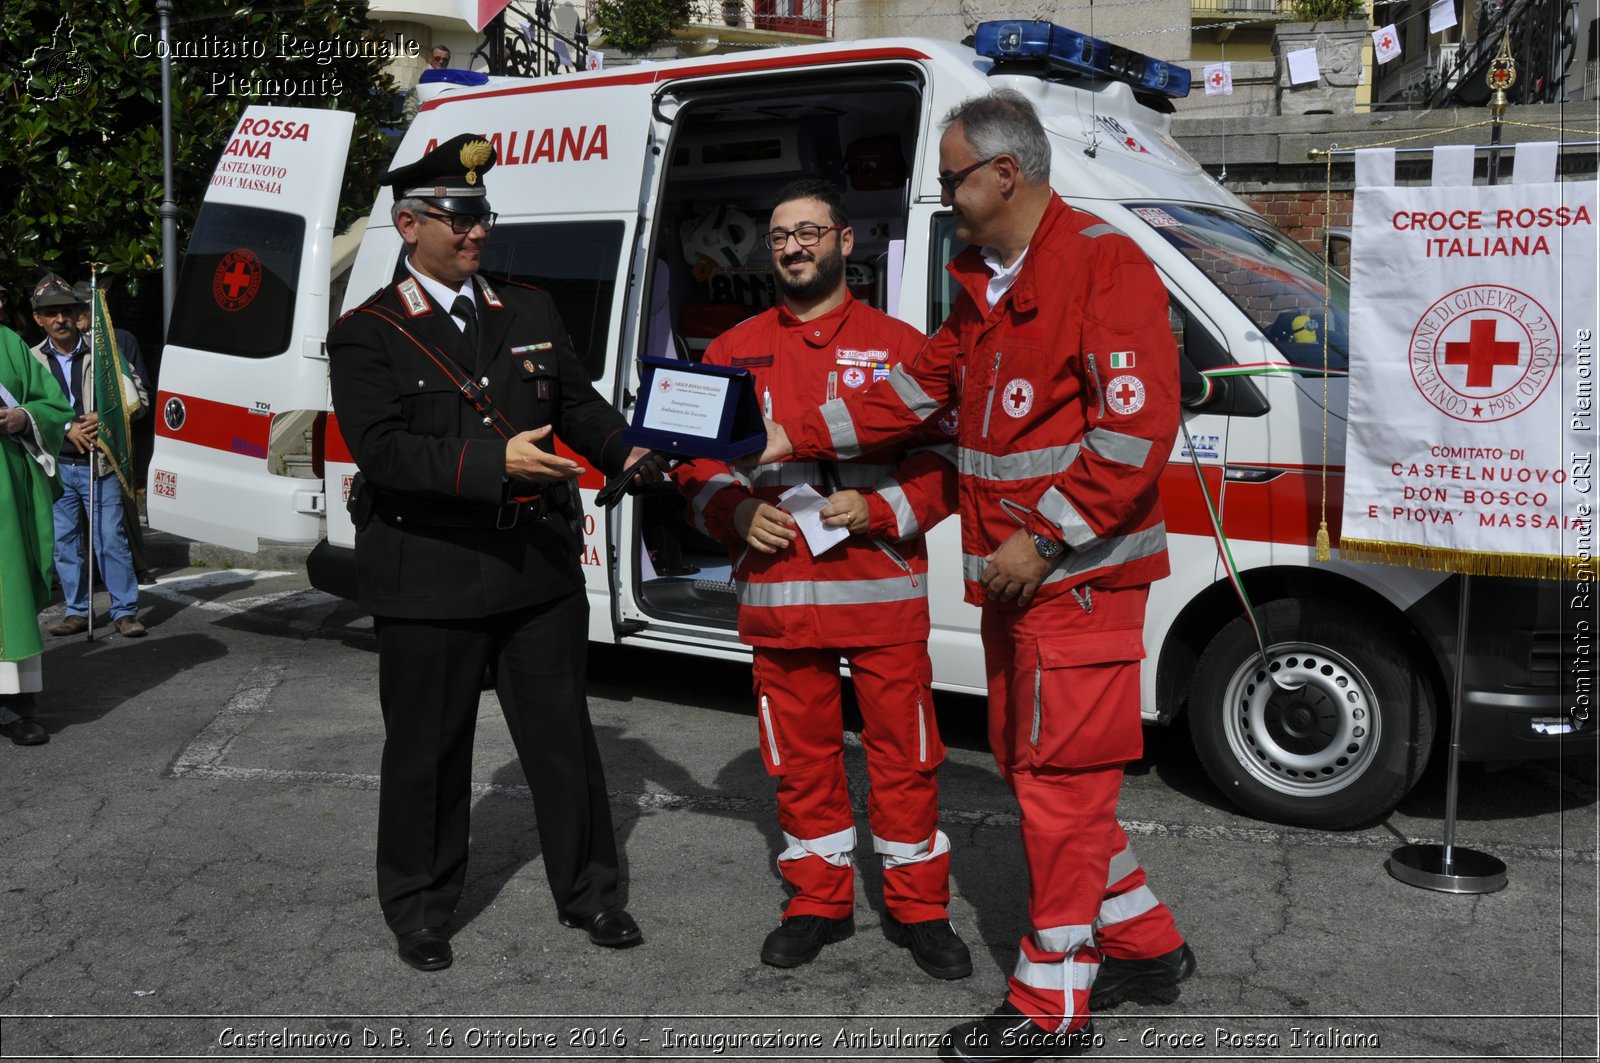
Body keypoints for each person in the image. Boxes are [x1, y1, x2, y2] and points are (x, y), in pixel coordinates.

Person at [756, 91, 1196, 1061]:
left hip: (1072, 583)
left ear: (1005, 172)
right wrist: (796, 433)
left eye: (952, 175)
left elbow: (1132, 433)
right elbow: (915, 393)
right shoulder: (984, 282)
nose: (942, 192)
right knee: (1035, 769)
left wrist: (1040, 542)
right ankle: (1145, 943)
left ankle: (1051, 1004)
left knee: (1062, 790)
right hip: (1017, 586)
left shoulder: (1102, 264)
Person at [327, 134, 659, 973]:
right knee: (428, 754)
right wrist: (493, 462)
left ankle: (591, 893)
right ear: (408, 224)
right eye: (458, 217)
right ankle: (422, 907)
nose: (477, 232)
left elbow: (576, 402)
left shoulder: (528, 308)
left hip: (535, 569)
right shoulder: (367, 332)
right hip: (428, 570)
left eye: (483, 215)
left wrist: (624, 448)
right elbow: (385, 451)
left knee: (561, 742)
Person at [671, 180, 970, 978]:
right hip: (777, 599)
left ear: (844, 240)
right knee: (798, 758)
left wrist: (880, 508)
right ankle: (817, 901)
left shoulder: (904, 345)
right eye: (778, 238)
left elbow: (946, 462)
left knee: (904, 757)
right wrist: (731, 513)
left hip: (880, 591)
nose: (794, 248)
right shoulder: (731, 350)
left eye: (808, 233)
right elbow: (692, 463)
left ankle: (919, 908)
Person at [28, 274, 148, 639]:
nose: (59, 319)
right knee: (64, 544)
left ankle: (124, 611)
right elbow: (25, 409)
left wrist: (108, 416)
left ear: (79, 312)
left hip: (101, 463)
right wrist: (67, 428)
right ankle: (77, 609)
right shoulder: (32, 360)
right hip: (57, 466)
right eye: (50, 313)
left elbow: (138, 400)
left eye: (66, 310)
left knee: (110, 538)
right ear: (38, 319)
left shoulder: (106, 353)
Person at [0, 322, 73, 745]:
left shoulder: (8, 344)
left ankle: (15, 710)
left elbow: (54, 404)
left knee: (9, 595)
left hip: (6, 491)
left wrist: (21, 417)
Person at [72, 282, 154, 584]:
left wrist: (109, 420)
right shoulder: (66, 344)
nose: (79, 314)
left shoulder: (119, 340)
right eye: (74, 308)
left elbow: (139, 392)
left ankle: (138, 566)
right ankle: (90, 573)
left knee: (121, 507)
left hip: (113, 433)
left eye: (84, 307)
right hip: (76, 437)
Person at [402, 44, 451, 124]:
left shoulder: (450, 77)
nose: (441, 62)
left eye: (445, 59)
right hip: (420, 124)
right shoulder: (419, 76)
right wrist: (411, 127)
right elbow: (411, 103)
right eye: (437, 58)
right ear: (430, 58)